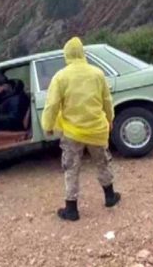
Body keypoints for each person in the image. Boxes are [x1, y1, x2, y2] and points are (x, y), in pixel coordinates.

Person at [41, 37, 120, 221]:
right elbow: (107, 101)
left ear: (66, 55)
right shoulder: (97, 74)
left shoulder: (60, 77)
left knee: (71, 168)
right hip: (96, 129)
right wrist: (110, 119)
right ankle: (110, 197)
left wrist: (48, 126)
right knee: (102, 162)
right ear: (82, 53)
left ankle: (71, 209)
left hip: (72, 132)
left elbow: (52, 105)